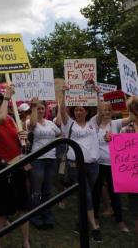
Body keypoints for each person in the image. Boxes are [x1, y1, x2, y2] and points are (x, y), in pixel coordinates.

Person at [0, 85, 30, 248]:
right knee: (1, 211)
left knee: (23, 207)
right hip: (1, 168)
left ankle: (26, 241)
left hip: (17, 165)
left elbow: (19, 143)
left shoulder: (11, 119)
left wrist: (23, 138)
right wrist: (7, 96)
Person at [59, 87, 102, 243]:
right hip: (75, 166)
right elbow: (62, 111)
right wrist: (64, 94)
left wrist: (97, 94)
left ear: (86, 111)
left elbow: (101, 111)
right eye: (76, 110)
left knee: (86, 195)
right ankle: (94, 227)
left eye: (81, 109)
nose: (78, 112)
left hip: (93, 165)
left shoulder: (93, 123)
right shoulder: (69, 124)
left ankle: (80, 221)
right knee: (87, 194)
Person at [92, 100, 134, 233]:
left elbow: (132, 117)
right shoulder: (95, 123)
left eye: (109, 110)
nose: (107, 112)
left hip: (113, 165)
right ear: (99, 111)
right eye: (104, 110)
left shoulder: (115, 124)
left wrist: (131, 102)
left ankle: (120, 221)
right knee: (96, 192)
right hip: (97, 164)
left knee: (115, 194)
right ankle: (95, 218)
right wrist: (98, 96)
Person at [27, 98, 61, 229]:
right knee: (36, 190)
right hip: (37, 160)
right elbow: (33, 125)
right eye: (38, 108)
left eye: (42, 108)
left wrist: (53, 145)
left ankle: (47, 216)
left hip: (51, 159)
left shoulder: (50, 123)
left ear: (46, 109)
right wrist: (34, 106)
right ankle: (35, 216)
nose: (41, 110)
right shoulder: (30, 121)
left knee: (47, 189)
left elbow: (59, 134)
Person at [120, 96, 138, 235]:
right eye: (135, 108)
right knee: (134, 197)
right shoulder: (126, 129)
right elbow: (120, 150)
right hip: (133, 171)